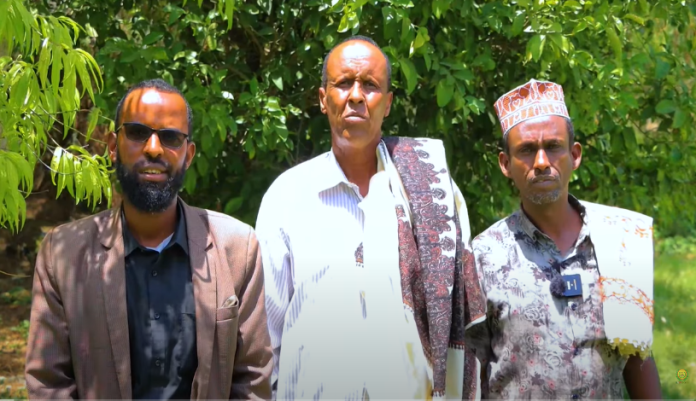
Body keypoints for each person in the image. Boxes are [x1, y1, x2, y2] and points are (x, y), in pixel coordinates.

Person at [255, 35, 487, 401]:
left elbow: (458, 315)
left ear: (388, 103)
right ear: (323, 98)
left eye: (370, 85)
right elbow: (265, 340)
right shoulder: (287, 197)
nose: (356, 96)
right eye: (343, 83)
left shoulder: (431, 193)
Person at [25, 79, 272, 400]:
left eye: (170, 137)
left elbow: (251, 381)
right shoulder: (64, 254)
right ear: (112, 146)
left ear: (188, 155)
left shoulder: (237, 248)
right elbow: (49, 384)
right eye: (138, 132)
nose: (153, 148)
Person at [467, 79, 662, 399]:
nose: (542, 162)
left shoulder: (620, 241)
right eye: (526, 150)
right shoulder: (482, 256)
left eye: (553, 146)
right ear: (505, 164)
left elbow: (638, 357)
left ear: (574, 155)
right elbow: (468, 371)